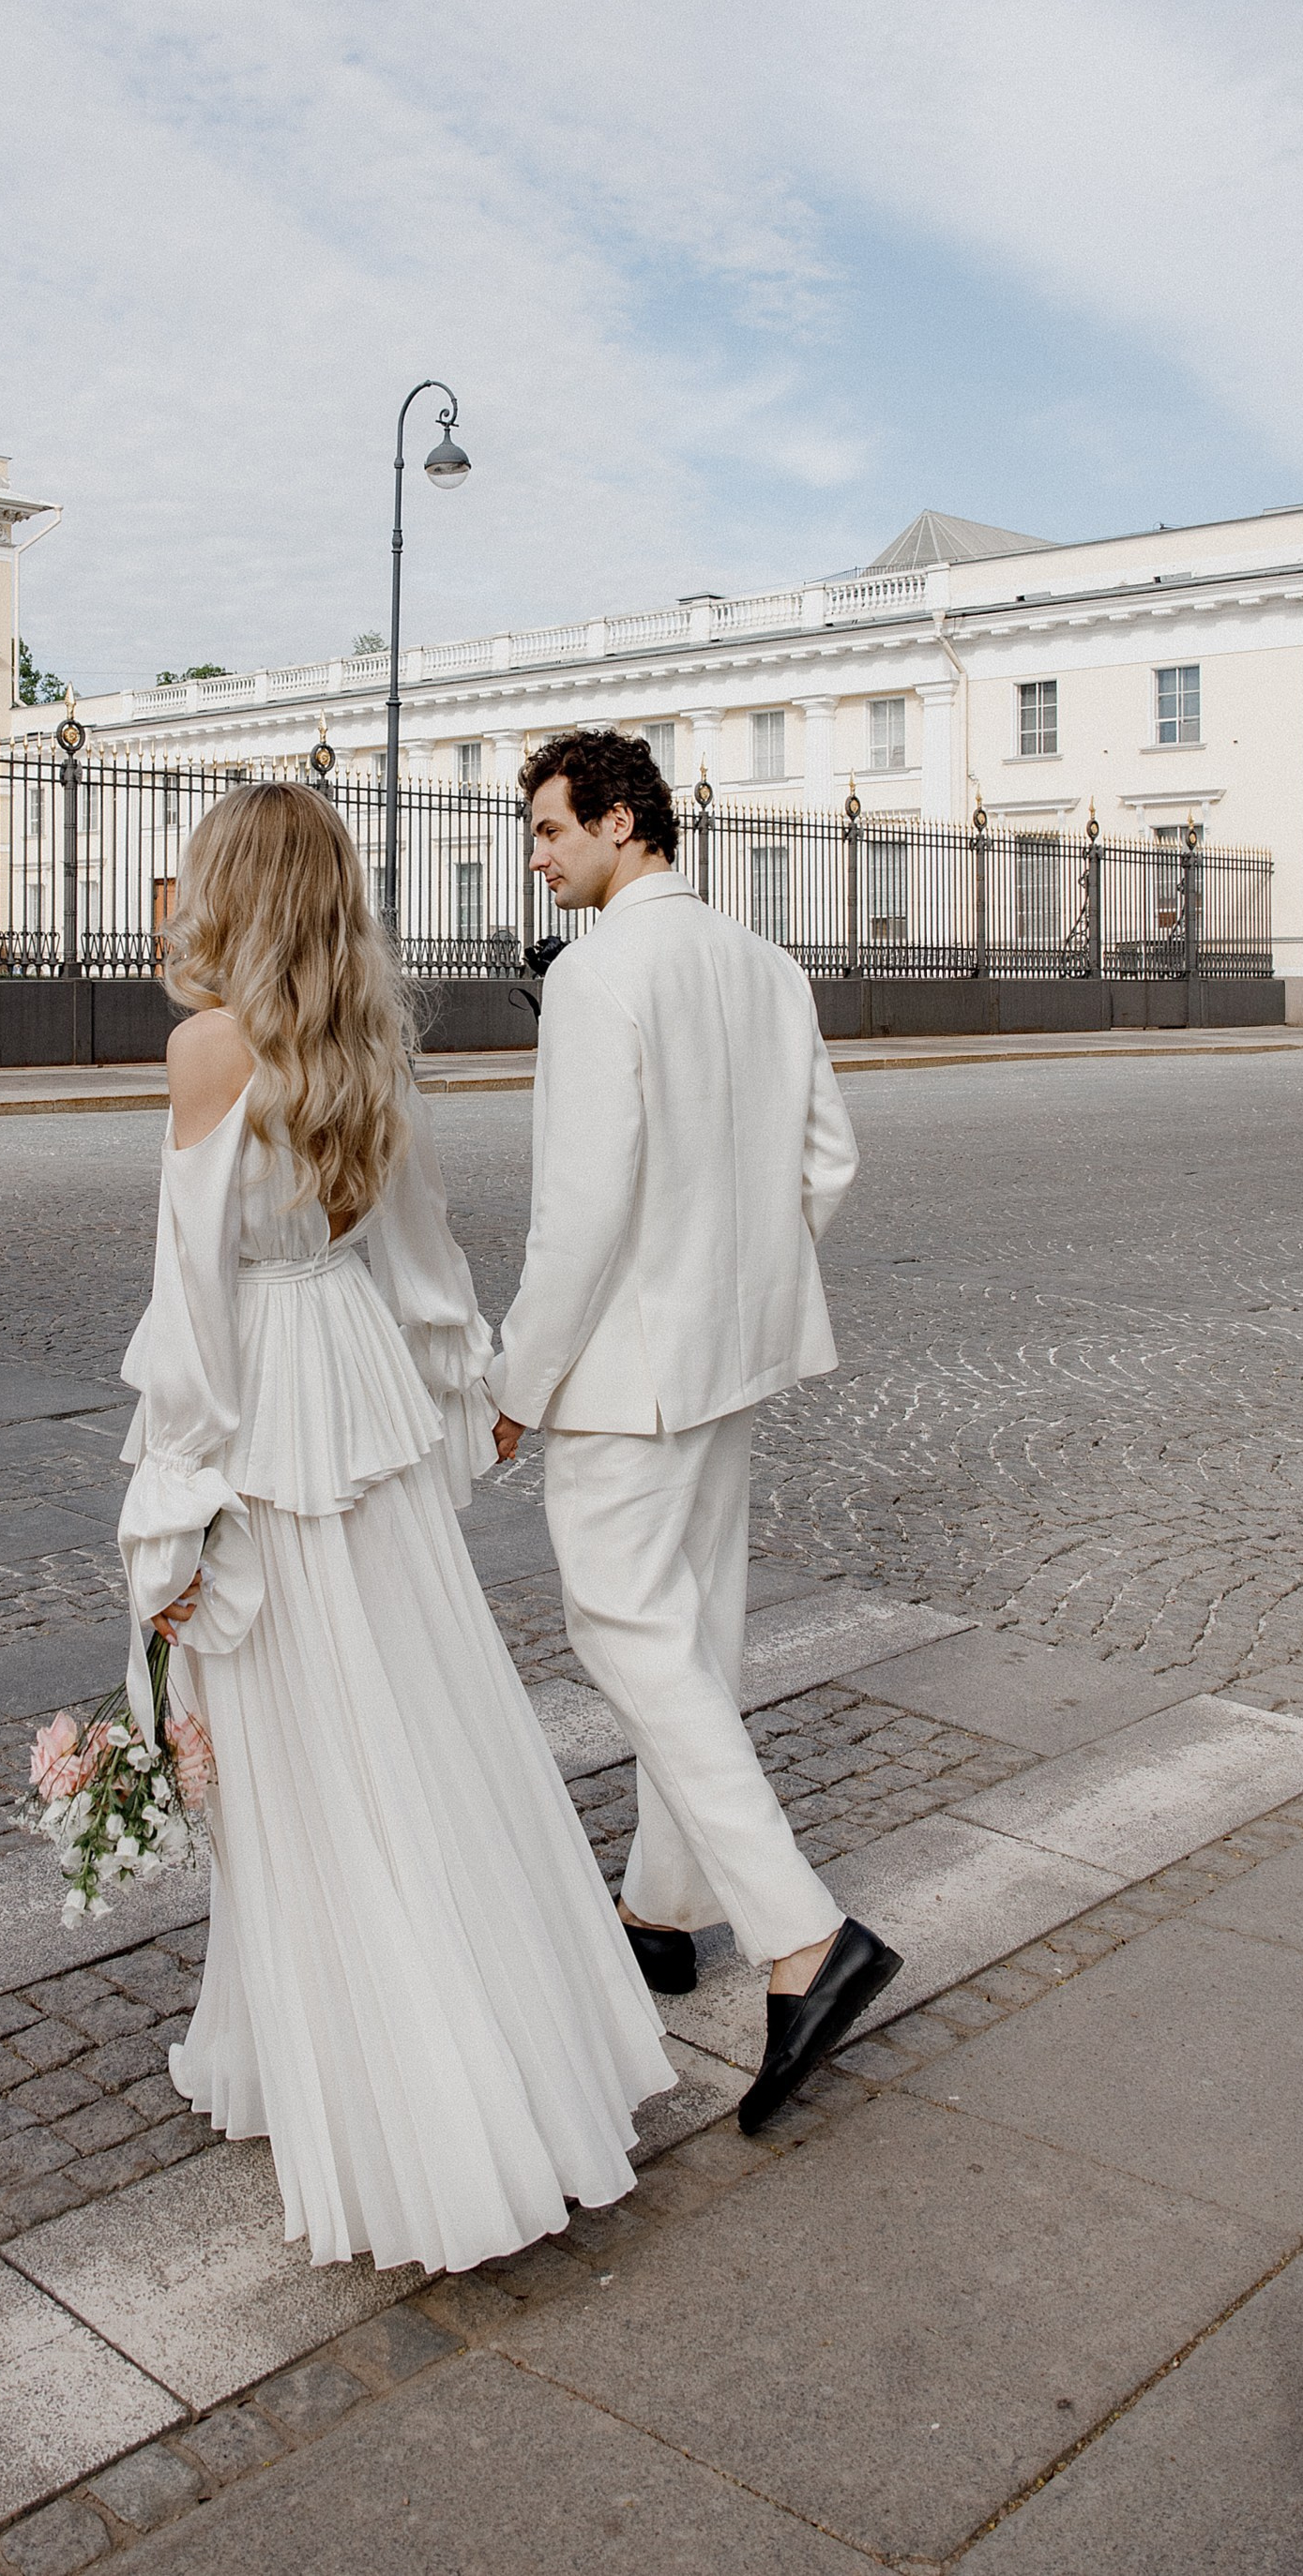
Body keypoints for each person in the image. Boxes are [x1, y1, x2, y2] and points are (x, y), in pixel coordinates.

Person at [115, 780, 674, 2276]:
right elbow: (425, 1261)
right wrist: (468, 1390)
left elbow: (194, 1314)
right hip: (361, 1409)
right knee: (423, 1737)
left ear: (227, 889)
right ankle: (497, 2059)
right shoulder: (361, 1045)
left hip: (270, 1430)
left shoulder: (205, 1048)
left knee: (298, 1772)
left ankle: (387, 2097)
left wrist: (165, 1515)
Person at [490, 727, 901, 2136]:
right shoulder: (764, 965)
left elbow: (583, 1207)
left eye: (547, 830)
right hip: (734, 1353)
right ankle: (661, 1912)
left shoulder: (603, 972)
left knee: (624, 1634)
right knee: (692, 1631)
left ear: (618, 822)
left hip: (628, 1370)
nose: (535, 857)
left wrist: (512, 1380)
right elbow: (825, 1160)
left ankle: (800, 1935)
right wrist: (746, 1279)